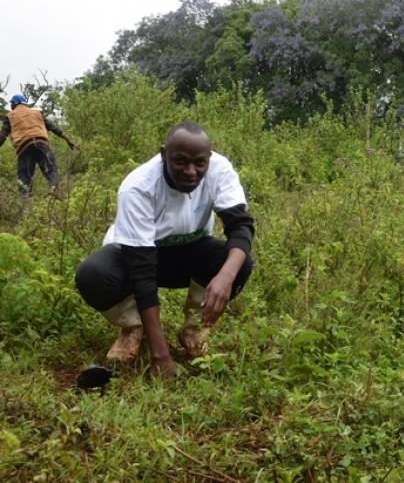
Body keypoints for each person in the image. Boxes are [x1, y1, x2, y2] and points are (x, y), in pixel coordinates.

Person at [75, 121, 255, 376]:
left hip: (188, 252)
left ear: (209, 159)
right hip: (135, 255)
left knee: (239, 262)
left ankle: (194, 330)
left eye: (199, 163)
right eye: (180, 161)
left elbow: (241, 227)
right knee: (93, 274)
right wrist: (160, 357)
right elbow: (143, 272)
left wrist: (226, 277)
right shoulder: (138, 186)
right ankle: (134, 327)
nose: (191, 171)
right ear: (163, 154)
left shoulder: (219, 170)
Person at [0, 94, 78, 197]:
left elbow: (3, 135)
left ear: (14, 104)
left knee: (24, 177)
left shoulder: (10, 116)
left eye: (11, 104)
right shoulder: (37, 113)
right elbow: (54, 128)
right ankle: (53, 187)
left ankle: (24, 200)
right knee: (50, 168)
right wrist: (68, 140)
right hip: (41, 143)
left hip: (24, 147)